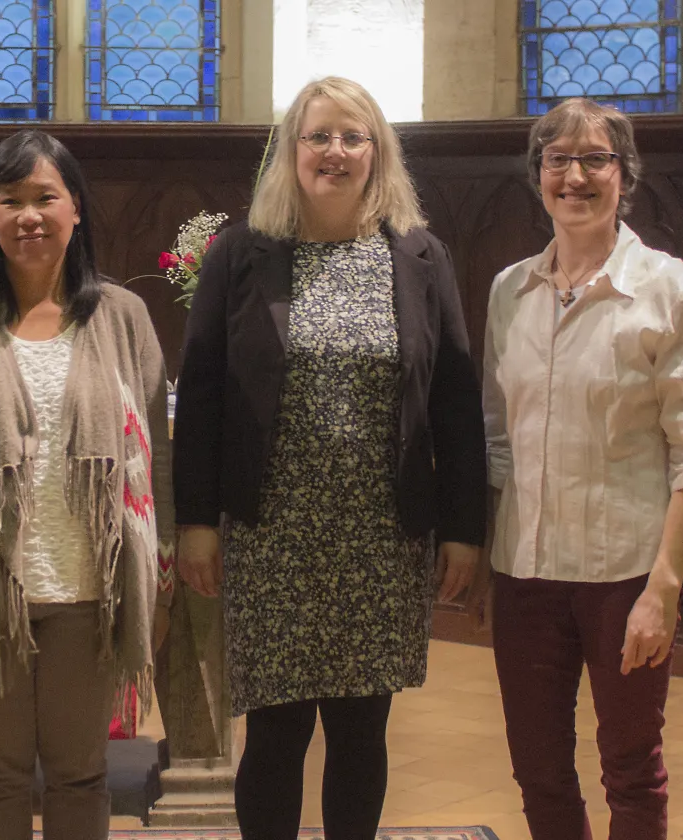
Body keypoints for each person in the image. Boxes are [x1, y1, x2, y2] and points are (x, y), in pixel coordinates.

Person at [172, 76, 488, 840]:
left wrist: (462, 527)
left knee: (360, 733)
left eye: (353, 137)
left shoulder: (418, 256)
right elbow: (204, 394)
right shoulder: (240, 255)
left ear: (379, 154)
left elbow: (453, 396)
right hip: (272, 534)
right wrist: (196, 523)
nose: (335, 152)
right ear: (291, 150)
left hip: (382, 536)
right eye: (319, 136)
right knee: (275, 734)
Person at [0, 129, 174, 840]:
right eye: (10, 198)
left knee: (82, 774)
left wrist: (158, 581)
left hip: (89, 588)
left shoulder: (122, 316)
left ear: (75, 207)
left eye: (45, 196)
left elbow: (154, 454)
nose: (29, 214)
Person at [479, 97, 683, 840]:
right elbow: (499, 438)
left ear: (625, 176)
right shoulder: (509, 291)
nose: (576, 176)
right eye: (558, 160)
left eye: (595, 159)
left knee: (630, 768)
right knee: (538, 771)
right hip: (525, 573)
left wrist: (664, 590)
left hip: (626, 575)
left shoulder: (674, 292)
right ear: (538, 177)